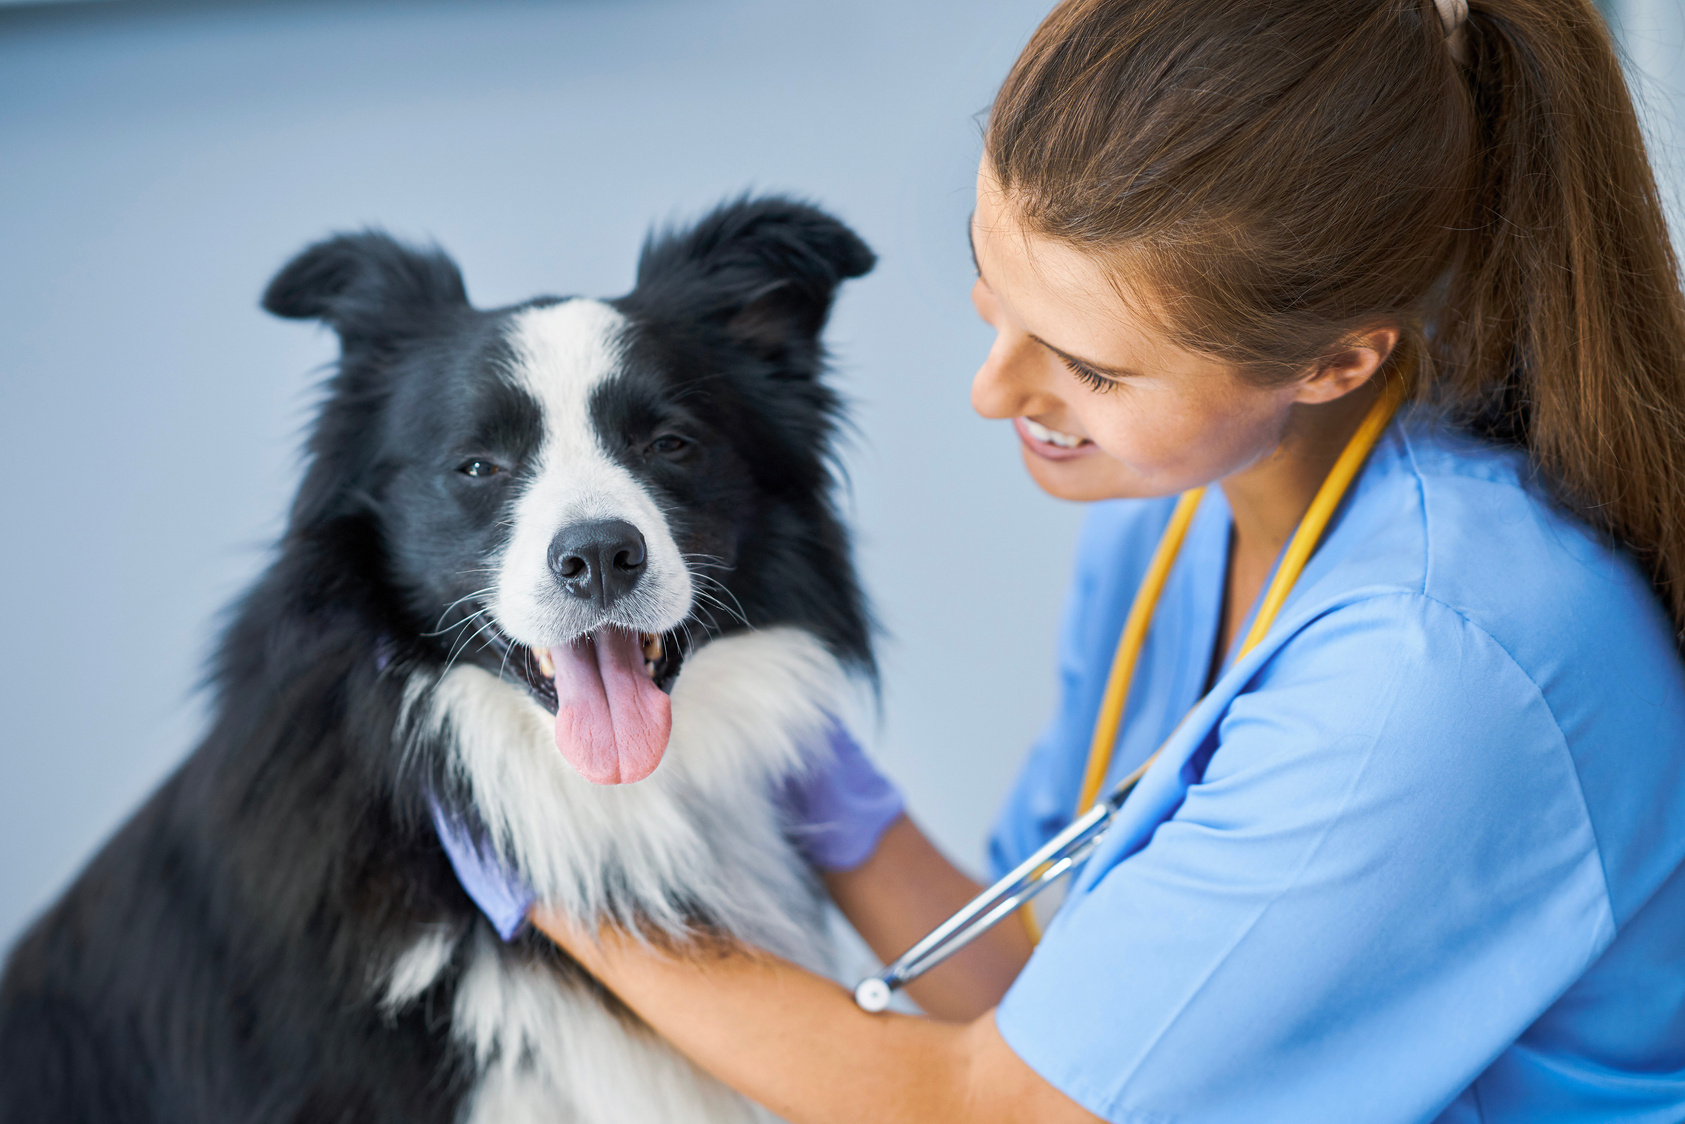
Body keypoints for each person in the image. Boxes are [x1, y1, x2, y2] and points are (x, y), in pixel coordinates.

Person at [445, 0, 1685, 1119]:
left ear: (1334, 362)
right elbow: (1057, 995)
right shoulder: (1168, 524)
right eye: (993, 297)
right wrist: (836, 807)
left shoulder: (1433, 664)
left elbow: (1011, 1103)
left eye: (1090, 367)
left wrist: (560, 905)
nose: (994, 392)